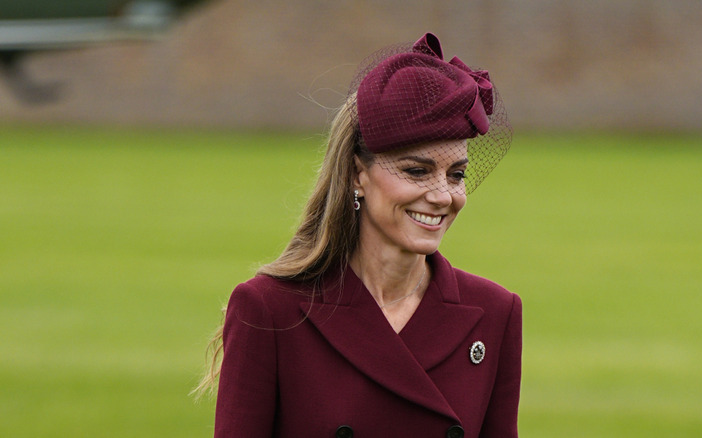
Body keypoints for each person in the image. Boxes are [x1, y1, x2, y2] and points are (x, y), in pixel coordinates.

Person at [196, 32, 522, 438]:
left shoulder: (495, 312)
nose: (443, 196)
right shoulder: (268, 310)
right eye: (416, 171)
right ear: (356, 174)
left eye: (456, 175)